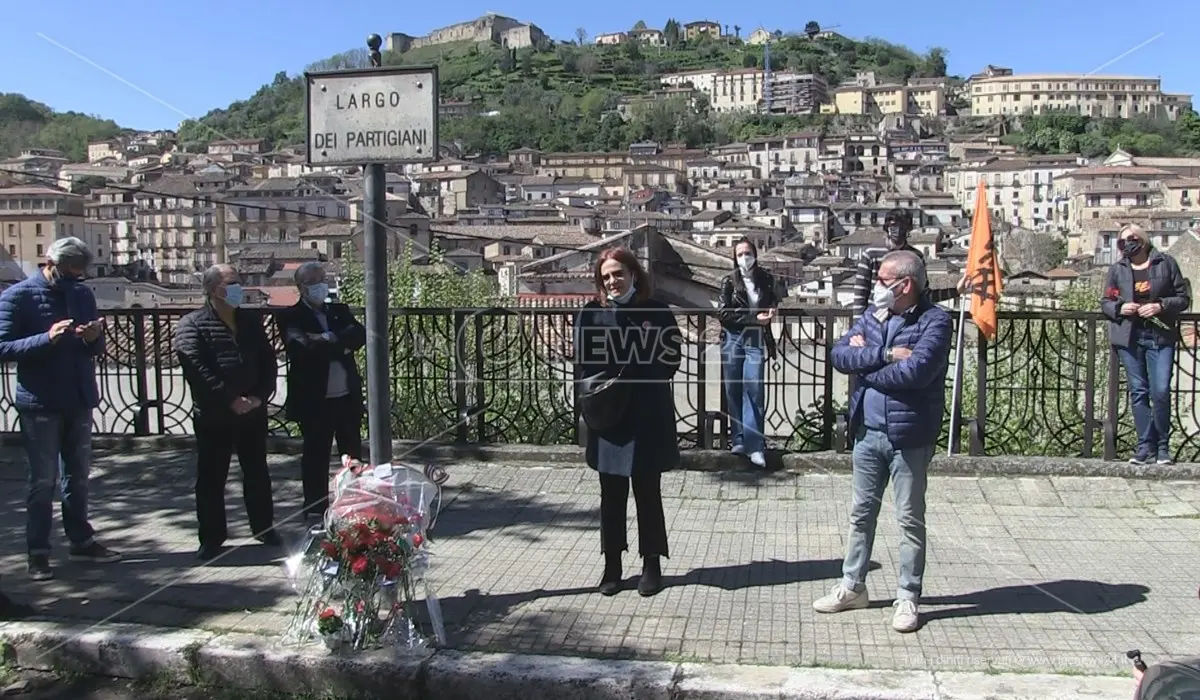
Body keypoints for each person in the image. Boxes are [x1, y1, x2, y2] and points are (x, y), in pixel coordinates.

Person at [815, 250, 952, 633]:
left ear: (904, 284)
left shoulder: (935, 321)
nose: (877, 285)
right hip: (867, 433)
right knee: (861, 515)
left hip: (909, 437)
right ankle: (852, 586)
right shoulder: (874, 316)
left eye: (882, 279)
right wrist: (886, 355)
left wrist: (867, 367)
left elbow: (918, 372)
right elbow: (840, 355)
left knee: (909, 519)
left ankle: (908, 596)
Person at [0, 237, 121, 581]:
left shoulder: (82, 295)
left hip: (79, 398)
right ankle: (37, 553)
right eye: (68, 274)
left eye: (78, 275)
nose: (73, 281)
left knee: (78, 477)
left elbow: (95, 347)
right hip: (40, 402)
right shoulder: (17, 296)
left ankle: (81, 540)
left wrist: (93, 336)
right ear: (49, 264)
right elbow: (3, 346)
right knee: (42, 481)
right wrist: (46, 338)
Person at [573, 247, 682, 598]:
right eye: (605, 277)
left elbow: (670, 361)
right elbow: (584, 367)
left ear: (634, 274)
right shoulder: (591, 315)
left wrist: (637, 357)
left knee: (647, 491)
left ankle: (652, 562)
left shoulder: (658, 311)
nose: (612, 281)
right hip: (608, 414)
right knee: (611, 493)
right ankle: (612, 565)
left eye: (618, 273)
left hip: (647, 412)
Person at [174, 264, 280, 560]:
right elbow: (197, 370)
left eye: (240, 282)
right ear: (212, 290)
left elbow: (268, 363)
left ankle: (264, 527)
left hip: (252, 413)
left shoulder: (250, 322)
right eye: (232, 283)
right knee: (211, 476)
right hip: (214, 416)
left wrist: (258, 397)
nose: (238, 288)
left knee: (257, 471)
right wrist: (230, 399)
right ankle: (211, 537)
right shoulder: (191, 325)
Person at [278, 262, 365, 523]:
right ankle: (316, 508)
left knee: (352, 456)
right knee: (316, 457)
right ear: (301, 287)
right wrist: (338, 342)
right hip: (315, 402)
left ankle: (355, 503)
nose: (321, 284)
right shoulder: (290, 317)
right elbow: (301, 347)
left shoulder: (339, 311)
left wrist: (324, 339)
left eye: (322, 278)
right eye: (314, 280)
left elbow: (358, 335)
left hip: (346, 398)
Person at [1099, 224, 1191, 466]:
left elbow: (1183, 298)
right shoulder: (1117, 269)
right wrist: (1120, 308)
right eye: (1122, 241)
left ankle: (1162, 448)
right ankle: (1144, 448)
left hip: (1160, 337)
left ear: (1143, 240)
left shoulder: (1166, 263)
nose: (1127, 243)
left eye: (1132, 238)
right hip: (1130, 337)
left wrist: (1161, 305)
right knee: (1138, 392)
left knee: (1160, 391)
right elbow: (1106, 301)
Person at [716, 237, 779, 468]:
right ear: (735, 257)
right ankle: (739, 439)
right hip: (733, 336)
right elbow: (723, 313)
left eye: (748, 253)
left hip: (755, 338)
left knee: (753, 387)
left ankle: (755, 446)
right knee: (733, 387)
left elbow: (773, 300)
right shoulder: (729, 281)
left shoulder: (766, 279)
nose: (744, 257)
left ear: (755, 254)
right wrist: (754, 318)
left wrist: (772, 309)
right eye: (740, 254)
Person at [850, 208, 966, 316]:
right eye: (894, 225)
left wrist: (956, 291)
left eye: (903, 225)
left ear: (908, 228)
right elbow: (860, 294)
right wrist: (859, 328)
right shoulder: (870, 253)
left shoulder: (915, 257)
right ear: (887, 227)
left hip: (905, 322)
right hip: (874, 320)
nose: (898, 229)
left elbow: (924, 295)